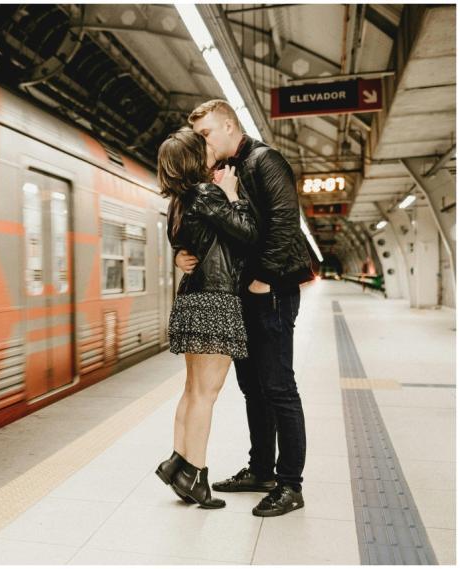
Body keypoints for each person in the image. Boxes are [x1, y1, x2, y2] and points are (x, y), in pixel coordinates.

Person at [178, 100, 314, 517]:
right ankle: (261, 470)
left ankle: (290, 485)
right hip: (245, 294)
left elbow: (284, 222)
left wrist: (265, 278)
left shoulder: (265, 161)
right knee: (253, 387)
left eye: (205, 134)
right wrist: (183, 253)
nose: (202, 143)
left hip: (271, 291)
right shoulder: (227, 170)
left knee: (279, 388)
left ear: (228, 125)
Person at [154, 128, 258, 509]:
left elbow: (185, 245)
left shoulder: (178, 203)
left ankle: (178, 461)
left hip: (191, 300)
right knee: (205, 394)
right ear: (194, 160)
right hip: (215, 300)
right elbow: (248, 233)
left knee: (192, 389)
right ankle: (195, 474)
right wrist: (232, 194)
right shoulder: (206, 194)